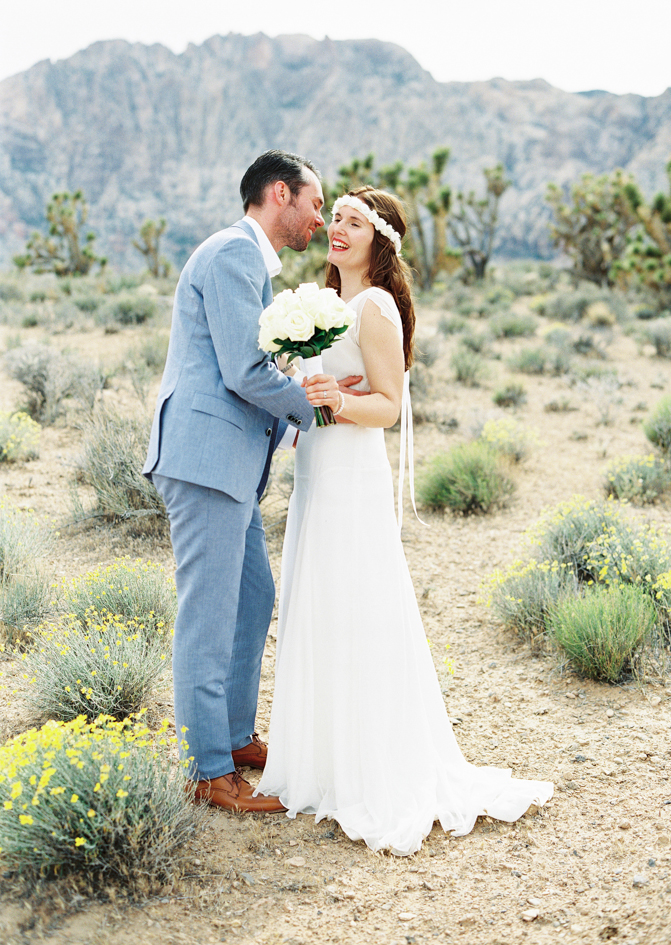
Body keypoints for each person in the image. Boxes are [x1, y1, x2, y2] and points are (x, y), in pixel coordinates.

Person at [255, 186, 554, 854]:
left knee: (357, 606)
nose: (337, 229)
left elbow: (387, 405)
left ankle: (369, 766)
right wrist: (305, 401)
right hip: (317, 475)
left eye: (353, 222)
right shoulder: (327, 306)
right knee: (321, 604)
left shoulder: (376, 306)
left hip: (352, 479)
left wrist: (331, 402)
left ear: (380, 239)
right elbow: (318, 395)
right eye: (334, 218)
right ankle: (320, 762)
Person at [143, 150, 343, 813]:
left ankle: (230, 735)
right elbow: (243, 370)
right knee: (207, 616)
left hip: (226, 467)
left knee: (252, 600)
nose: (320, 217)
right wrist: (312, 408)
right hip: (205, 463)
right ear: (280, 194)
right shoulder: (232, 255)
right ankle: (207, 771)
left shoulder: (248, 262)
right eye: (315, 203)